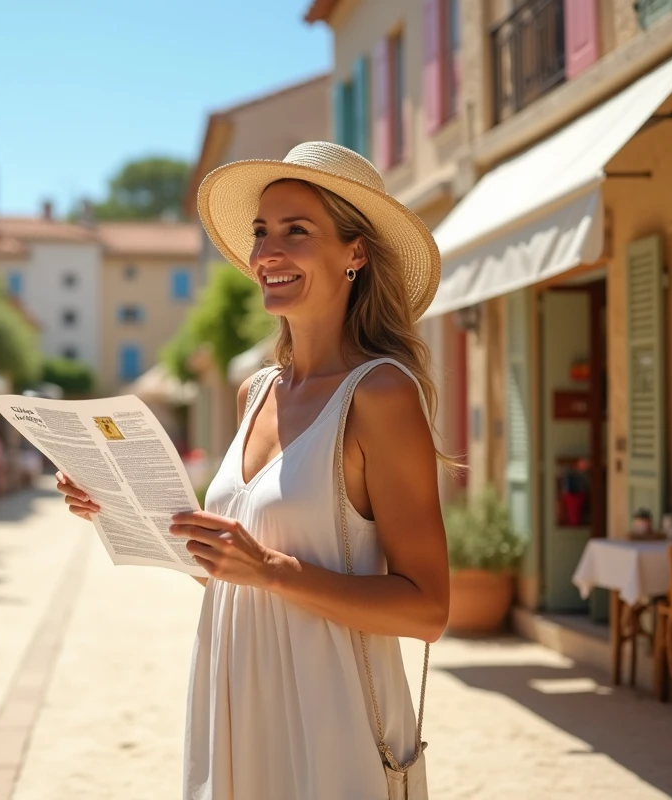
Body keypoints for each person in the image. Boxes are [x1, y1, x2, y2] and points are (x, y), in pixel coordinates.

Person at [55, 142, 452, 799]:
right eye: (261, 232)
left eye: (297, 231)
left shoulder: (380, 394)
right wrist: (117, 507)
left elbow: (428, 610)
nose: (267, 251)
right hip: (235, 695)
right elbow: (232, 573)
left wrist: (270, 570)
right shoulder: (256, 392)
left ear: (354, 253)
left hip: (332, 716)